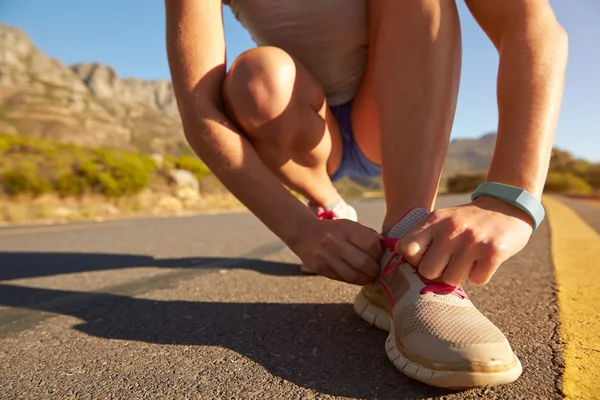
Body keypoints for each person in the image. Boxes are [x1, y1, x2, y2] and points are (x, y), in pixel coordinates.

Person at [164, 0, 567, 389]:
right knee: (257, 75)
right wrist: (301, 230)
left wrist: (510, 198)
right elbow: (200, 110)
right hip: (305, 130)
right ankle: (327, 205)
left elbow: (527, 20)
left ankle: (407, 244)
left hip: (392, 115)